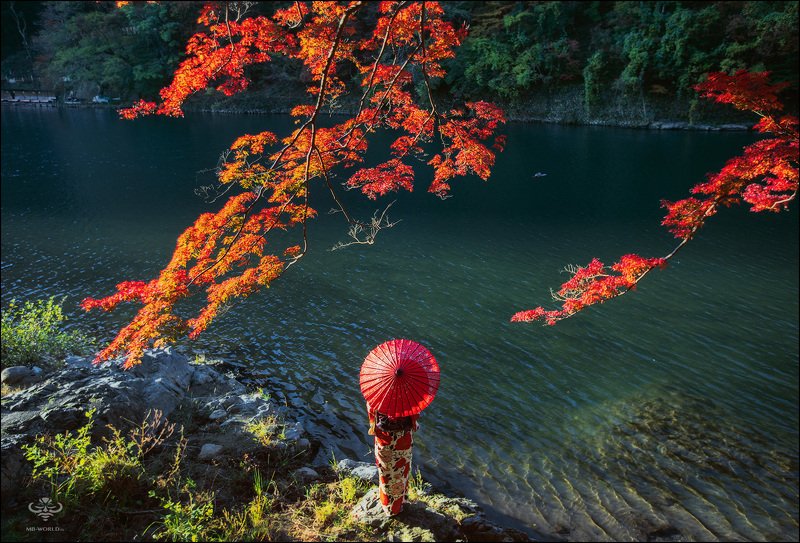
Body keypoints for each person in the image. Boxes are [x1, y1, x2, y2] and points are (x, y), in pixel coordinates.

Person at [367, 407, 419, 516]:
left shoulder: (378, 394)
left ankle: (388, 506)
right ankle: (400, 502)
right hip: (403, 440)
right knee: (401, 472)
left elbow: (372, 415)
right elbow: (414, 416)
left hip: (384, 440)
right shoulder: (407, 398)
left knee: (386, 474)